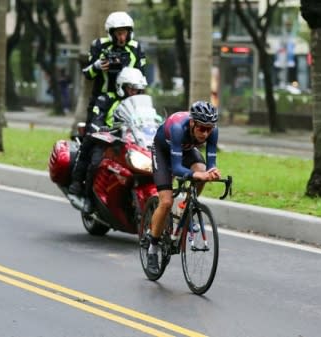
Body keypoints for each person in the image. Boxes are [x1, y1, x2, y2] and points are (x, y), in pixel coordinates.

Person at [146, 101, 222, 275]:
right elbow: (178, 168)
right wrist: (197, 175)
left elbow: (210, 164)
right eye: (202, 128)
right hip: (164, 151)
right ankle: (153, 248)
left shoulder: (212, 131)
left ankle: (186, 208)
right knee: (165, 202)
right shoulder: (178, 128)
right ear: (192, 123)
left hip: (185, 150)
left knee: (203, 171)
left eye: (209, 129)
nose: (205, 133)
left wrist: (212, 172)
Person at [68, 67, 148, 210]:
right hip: (107, 140)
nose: (134, 92)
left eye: (137, 90)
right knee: (96, 162)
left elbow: (150, 120)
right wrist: (101, 128)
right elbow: (96, 118)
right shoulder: (106, 99)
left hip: (132, 142)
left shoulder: (141, 106)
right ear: (121, 87)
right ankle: (85, 194)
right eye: (131, 89)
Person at [82, 11, 147, 116]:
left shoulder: (136, 47)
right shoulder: (99, 45)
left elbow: (142, 77)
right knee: (93, 130)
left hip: (129, 102)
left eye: (124, 33)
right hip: (101, 100)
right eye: (118, 33)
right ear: (111, 33)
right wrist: (97, 66)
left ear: (129, 32)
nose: (122, 38)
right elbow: (87, 74)